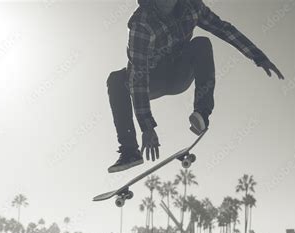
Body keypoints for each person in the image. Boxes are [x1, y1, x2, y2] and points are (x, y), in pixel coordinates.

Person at [107, 0, 284, 173]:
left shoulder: (192, 7)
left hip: (179, 76)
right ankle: (130, 150)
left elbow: (223, 28)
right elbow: (138, 78)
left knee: (201, 43)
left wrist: (258, 56)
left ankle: (202, 113)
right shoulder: (142, 24)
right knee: (116, 80)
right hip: (151, 82)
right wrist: (147, 127)